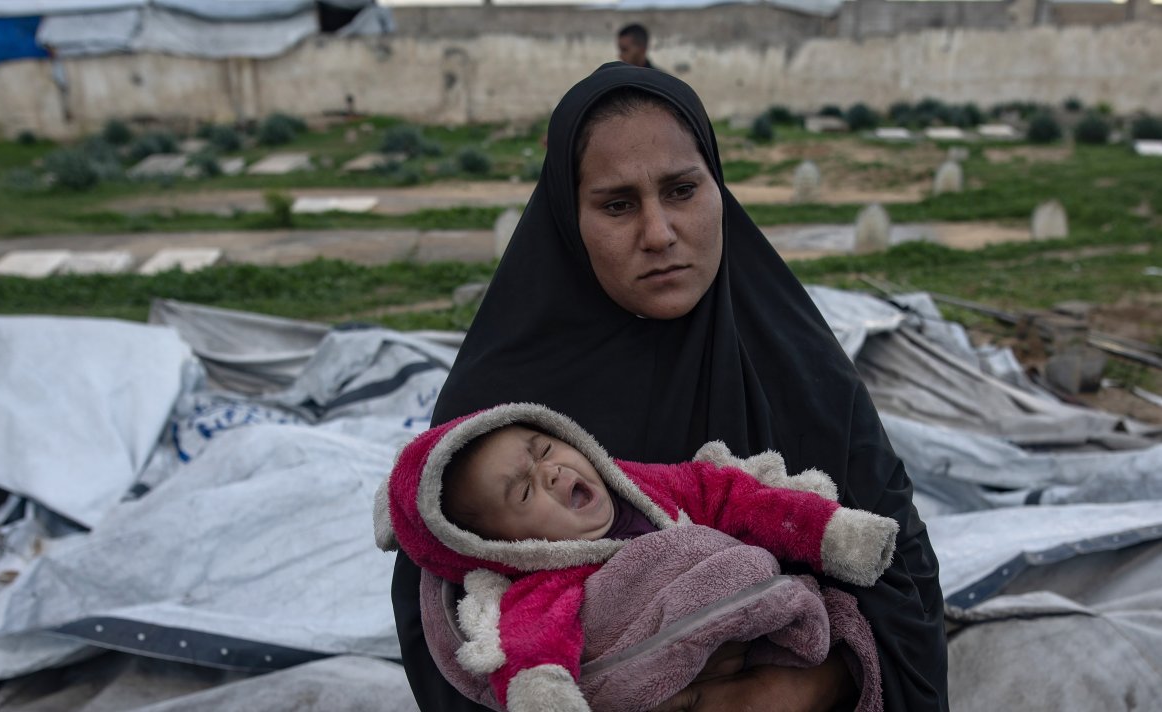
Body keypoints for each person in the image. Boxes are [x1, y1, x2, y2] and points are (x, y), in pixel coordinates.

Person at [390, 62, 949, 712]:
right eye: (618, 205)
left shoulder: (802, 370)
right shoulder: (496, 412)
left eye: (682, 190)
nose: (658, 234)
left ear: (718, 188)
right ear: (569, 219)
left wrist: (811, 684)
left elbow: (902, 572)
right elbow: (442, 630)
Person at [374, 402, 897, 710]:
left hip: (765, 644)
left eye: (544, 449)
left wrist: (831, 533)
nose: (551, 472)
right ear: (504, 547)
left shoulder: (650, 489)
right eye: (525, 492)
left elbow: (731, 497)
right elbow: (531, 643)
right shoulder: (548, 579)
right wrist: (544, 692)